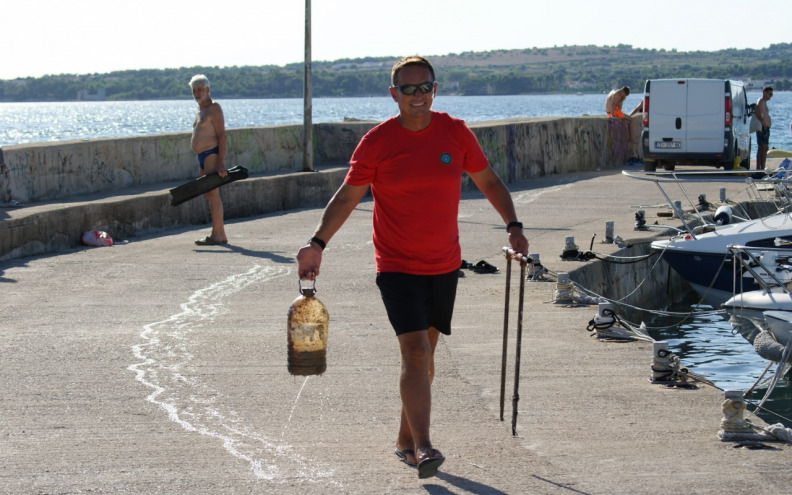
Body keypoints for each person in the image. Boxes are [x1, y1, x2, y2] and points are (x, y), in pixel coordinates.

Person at [296, 55, 528, 479]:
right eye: (409, 89)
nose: (418, 96)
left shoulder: (454, 133)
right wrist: (316, 244)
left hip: (443, 263)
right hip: (397, 264)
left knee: (427, 356)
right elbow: (347, 197)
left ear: (435, 89)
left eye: (425, 87)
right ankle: (424, 447)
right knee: (416, 351)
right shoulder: (377, 142)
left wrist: (513, 226)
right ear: (394, 95)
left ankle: (404, 439)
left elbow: (489, 181)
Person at [189, 74, 228, 245]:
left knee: (213, 194)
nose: (197, 93)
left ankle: (217, 234)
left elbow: (222, 135)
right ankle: (219, 233)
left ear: (208, 90)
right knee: (210, 195)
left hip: (211, 154)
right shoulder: (200, 110)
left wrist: (220, 162)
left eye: (200, 90)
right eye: (194, 90)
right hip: (202, 157)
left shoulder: (214, 109)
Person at [754, 86, 773, 170]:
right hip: (762, 127)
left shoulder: (764, 102)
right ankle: (759, 167)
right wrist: (762, 122)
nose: (771, 96)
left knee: (764, 147)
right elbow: (756, 110)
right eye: (770, 94)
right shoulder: (761, 101)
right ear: (764, 93)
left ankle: (762, 167)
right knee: (762, 147)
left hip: (765, 127)